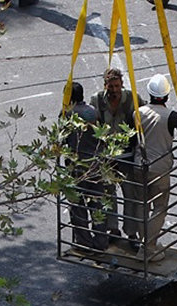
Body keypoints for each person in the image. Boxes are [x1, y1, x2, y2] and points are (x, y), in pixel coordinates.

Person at [134, 74, 177, 257]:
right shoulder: (171, 116)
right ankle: (148, 247)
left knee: (142, 204)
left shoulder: (138, 112)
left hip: (139, 165)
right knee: (160, 206)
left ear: (149, 93)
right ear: (167, 96)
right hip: (160, 168)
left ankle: (143, 242)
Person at [91, 68, 140, 250]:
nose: (114, 90)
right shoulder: (97, 100)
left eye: (117, 86)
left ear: (122, 85)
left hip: (126, 156)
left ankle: (132, 232)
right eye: (110, 86)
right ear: (105, 86)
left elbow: (142, 119)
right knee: (108, 194)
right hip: (107, 157)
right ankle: (113, 229)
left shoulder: (132, 99)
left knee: (130, 194)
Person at [61, 81, 105, 249]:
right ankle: (101, 241)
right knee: (97, 205)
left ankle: (84, 241)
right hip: (95, 165)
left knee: (78, 205)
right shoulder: (93, 112)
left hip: (76, 166)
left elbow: (61, 138)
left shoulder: (66, 114)